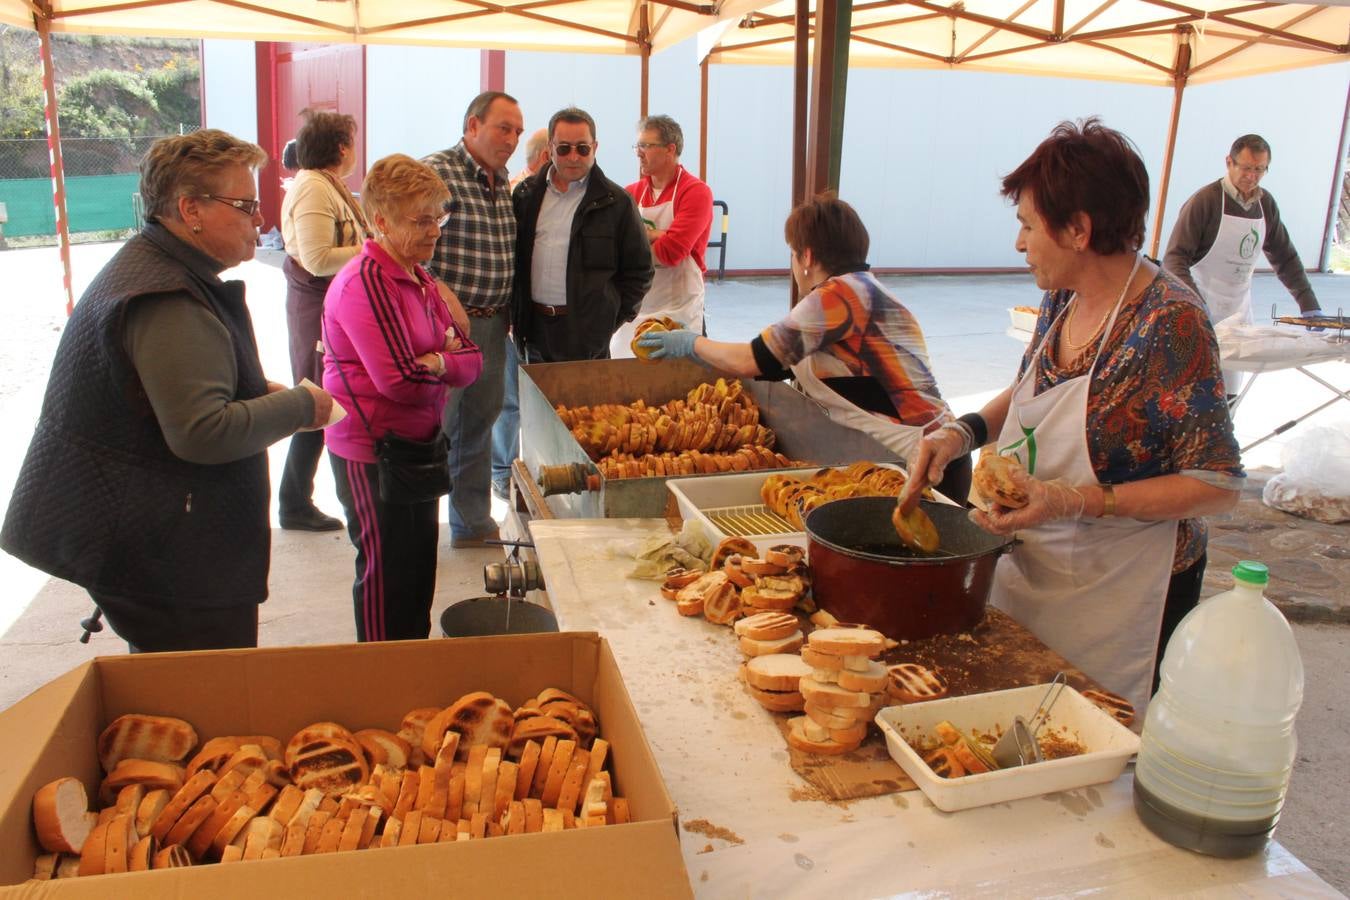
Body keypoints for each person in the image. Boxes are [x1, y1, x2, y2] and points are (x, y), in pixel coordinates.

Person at [910, 119, 1245, 714]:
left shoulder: (1170, 324)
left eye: (1027, 225)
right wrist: (962, 433)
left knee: (1099, 742)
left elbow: (1216, 485)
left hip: (1127, 589)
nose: (1019, 243)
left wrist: (1078, 501)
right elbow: (1030, 387)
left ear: (1078, 230)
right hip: (1039, 562)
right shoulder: (1061, 295)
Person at [0, 129, 333, 653]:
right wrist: (299, 405)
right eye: (245, 205)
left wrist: (254, 392)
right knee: (204, 699)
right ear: (190, 209)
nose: (260, 220)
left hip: (145, 537)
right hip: (162, 553)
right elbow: (202, 432)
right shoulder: (166, 295)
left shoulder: (161, 268)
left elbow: (170, 395)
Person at [638, 194, 970, 502]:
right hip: (927, 457)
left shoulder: (838, 296)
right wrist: (699, 347)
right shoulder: (860, 291)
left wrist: (691, 342)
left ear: (807, 256)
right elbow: (778, 362)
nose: (793, 265)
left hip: (926, 464)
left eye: (793, 253)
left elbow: (755, 359)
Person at [323, 154, 484, 641]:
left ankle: (412, 662)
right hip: (373, 450)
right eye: (420, 220)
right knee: (384, 575)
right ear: (380, 221)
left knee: (416, 571)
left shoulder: (420, 277)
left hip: (416, 445)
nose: (435, 230)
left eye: (439, 216)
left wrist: (440, 360)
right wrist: (443, 360)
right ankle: (380, 672)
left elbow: (473, 356)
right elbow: (398, 381)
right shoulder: (365, 283)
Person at [422, 91, 522, 549]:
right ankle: (418, 522)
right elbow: (403, 243)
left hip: (492, 326)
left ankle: (471, 520)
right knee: (434, 427)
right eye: (504, 127)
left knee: (479, 425)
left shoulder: (501, 181)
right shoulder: (438, 174)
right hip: (444, 330)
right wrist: (437, 296)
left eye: (518, 131)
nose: (513, 138)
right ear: (472, 125)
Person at [1164, 134, 1325, 397]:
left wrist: (1309, 305)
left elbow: (1285, 258)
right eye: (1246, 168)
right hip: (1197, 310)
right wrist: (1195, 305)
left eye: (1259, 170)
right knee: (1192, 395)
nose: (1252, 176)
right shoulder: (1205, 201)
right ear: (1229, 162)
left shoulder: (1266, 205)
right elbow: (1174, 259)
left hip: (1238, 314)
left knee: (1228, 396)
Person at [277, 109, 369, 532]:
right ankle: (296, 502)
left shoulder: (327, 185)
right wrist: (373, 250)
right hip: (316, 305)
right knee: (319, 399)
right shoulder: (313, 188)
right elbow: (316, 259)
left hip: (330, 303)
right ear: (341, 148)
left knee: (323, 397)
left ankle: (297, 500)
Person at [512, 106, 653, 363]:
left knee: (586, 404)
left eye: (582, 148)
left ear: (595, 148)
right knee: (534, 403)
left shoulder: (617, 203)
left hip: (587, 338)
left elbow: (640, 272)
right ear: (550, 148)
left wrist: (606, 321)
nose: (574, 157)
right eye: (564, 148)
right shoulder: (525, 195)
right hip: (534, 332)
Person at [609, 114, 714, 358]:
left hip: (680, 309)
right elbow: (615, 251)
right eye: (638, 145)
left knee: (675, 382)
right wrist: (659, 234)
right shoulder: (630, 194)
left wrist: (640, 241)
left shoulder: (695, 192)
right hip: (636, 308)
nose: (638, 152)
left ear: (670, 149)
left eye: (646, 145)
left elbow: (672, 252)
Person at [494, 127, 552, 502]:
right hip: (515, 316)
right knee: (511, 399)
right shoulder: (522, 193)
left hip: (529, 317)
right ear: (547, 156)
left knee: (517, 398)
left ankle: (513, 471)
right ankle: (502, 472)